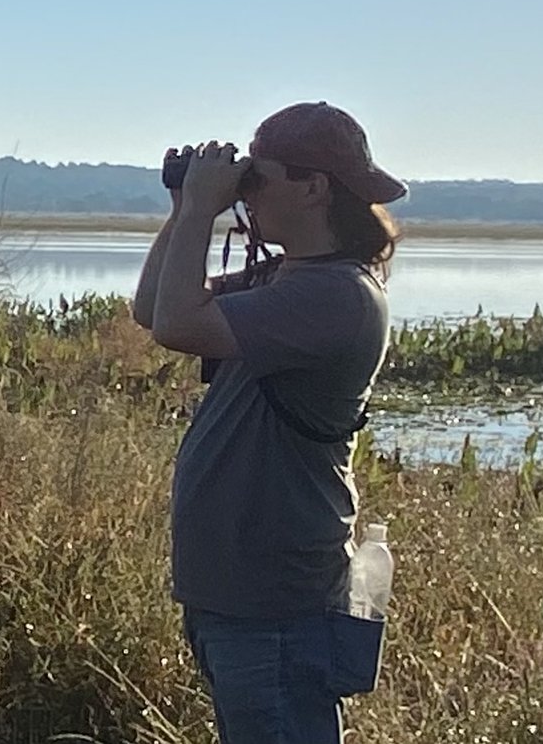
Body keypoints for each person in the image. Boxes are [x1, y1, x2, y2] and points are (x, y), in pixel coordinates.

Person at [132, 101, 406, 744]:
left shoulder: (336, 294)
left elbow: (177, 324)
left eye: (260, 177)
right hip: (238, 594)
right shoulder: (287, 278)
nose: (246, 193)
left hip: (278, 605)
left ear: (314, 188)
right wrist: (183, 211)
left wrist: (204, 208)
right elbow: (152, 309)